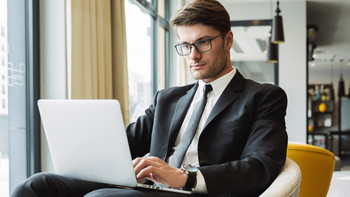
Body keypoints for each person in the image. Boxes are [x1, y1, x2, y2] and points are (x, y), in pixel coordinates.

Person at [12, 0, 288, 196]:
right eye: (185, 45)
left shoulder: (263, 97)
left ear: (228, 41)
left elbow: (260, 166)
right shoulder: (168, 99)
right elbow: (123, 146)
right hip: (147, 187)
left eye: (203, 42)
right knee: (34, 186)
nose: (193, 55)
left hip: (198, 191)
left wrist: (185, 178)